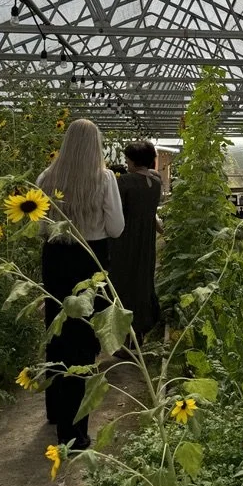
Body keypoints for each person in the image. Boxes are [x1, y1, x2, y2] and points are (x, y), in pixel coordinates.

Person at [37, 119, 124, 449]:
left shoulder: (47, 178)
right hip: (90, 258)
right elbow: (116, 227)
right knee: (84, 340)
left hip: (56, 257)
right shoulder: (103, 179)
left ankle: (56, 412)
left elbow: (40, 228)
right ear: (96, 145)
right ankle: (75, 433)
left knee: (56, 331)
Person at [107, 142, 163, 341]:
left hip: (125, 238)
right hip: (146, 239)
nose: (126, 162)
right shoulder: (155, 183)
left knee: (123, 282)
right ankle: (142, 328)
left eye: (127, 159)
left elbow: (116, 212)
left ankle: (125, 337)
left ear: (133, 160)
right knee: (143, 279)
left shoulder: (125, 182)